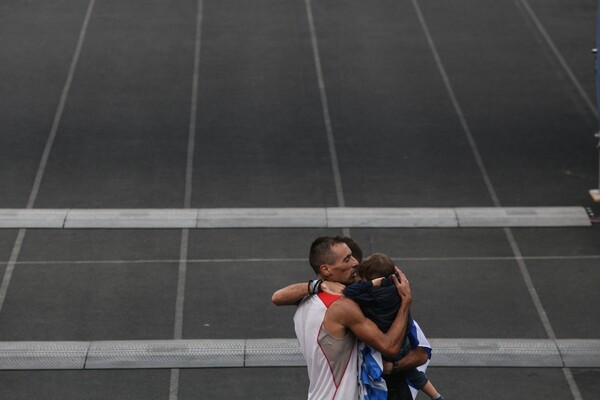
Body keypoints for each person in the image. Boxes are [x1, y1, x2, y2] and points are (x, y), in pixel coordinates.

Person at [272, 236, 430, 400]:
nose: (355, 262)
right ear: (326, 270)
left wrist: (316, 285)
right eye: (347, 259)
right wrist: (405, 302)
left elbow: (277, 297)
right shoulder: (344, 307)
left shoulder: (306, 299)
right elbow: (390, 347)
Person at [344, 253, 445, 400]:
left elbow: (349, 292)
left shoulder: (369, 297)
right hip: (403, 341)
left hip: (387, 360)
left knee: (403, 370)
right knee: (413, 373)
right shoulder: (399, 293)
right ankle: (436, 396)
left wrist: (368, 285)